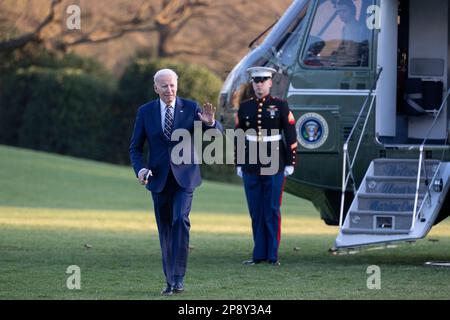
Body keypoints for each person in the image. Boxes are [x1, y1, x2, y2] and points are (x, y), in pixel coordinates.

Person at [129, 68, 223, 296]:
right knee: (165, 229)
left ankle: (178, 278)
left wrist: (210, 124)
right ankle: (169, 279)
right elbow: (135, 147)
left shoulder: (191, 108)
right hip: (158, 179)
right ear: (156, 88)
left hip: (185, 177)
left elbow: (216, 134)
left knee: (180, 219)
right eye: (164, 86)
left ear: (176, 85)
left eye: (172, 85)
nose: (169, 90)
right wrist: (140, 169)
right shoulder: (145, 112)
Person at [235, 66, 297, 266]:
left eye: (263, 81)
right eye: (256, 81)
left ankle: (272, 255)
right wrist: (239, 161)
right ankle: (258, 255)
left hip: (275, 163)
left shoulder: (281, 105)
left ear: (270, 82)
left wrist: (290, 162)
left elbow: (291, 136)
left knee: (271, 209)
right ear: (252, 83)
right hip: (251, 164)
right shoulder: (244, 107)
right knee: (256, 210)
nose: (259, 84)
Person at [333, 0, 368, 67]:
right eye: (339, 11)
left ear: (352, 11)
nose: (340, 14)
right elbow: (343, 50)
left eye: (344, 11)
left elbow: (352, 58)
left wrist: (336, 65)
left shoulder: (359, 29)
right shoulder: (345, 28)